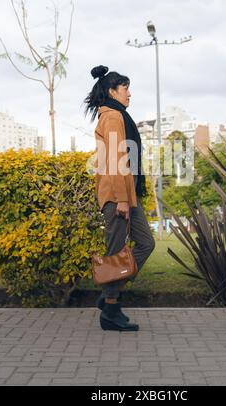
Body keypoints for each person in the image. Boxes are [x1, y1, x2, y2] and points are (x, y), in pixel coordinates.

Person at [83, 65, 156, 331]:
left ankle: (108, 295)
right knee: (115, 253)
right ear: (112, 91)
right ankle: (111, 310)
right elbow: (115, 160)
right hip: (117, 195)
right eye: (125, 88)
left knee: (146, 243)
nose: (129, 94)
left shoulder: (118, 115)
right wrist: (122, 199)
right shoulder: (113, 117)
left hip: (127, 194)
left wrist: (129, 196)